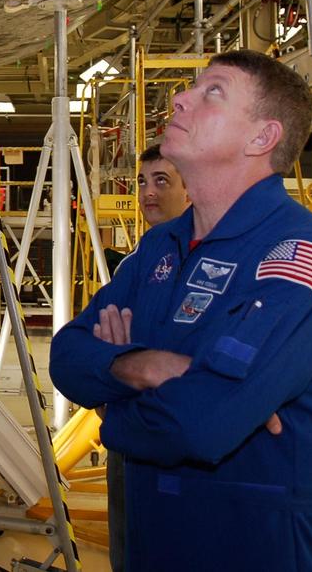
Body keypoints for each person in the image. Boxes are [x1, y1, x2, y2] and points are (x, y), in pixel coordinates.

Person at [50, 50, 312, 571]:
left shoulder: (300, 257)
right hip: (149, 541)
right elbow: (66, 356)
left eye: (212, 92)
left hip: (249, 550)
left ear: (262, 138)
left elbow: (199, 425)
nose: (181, 98)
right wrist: (146, 367)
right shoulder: (160, 248)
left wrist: (112, 403)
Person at [105, 143, 190, 571]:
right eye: (141, 182)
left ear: (189, 189)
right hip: (129, 424)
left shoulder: (208, 260)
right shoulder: (135, 264)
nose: (148, 193)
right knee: (130, 542)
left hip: (184, 430)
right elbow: (98, 343)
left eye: (162, 181)